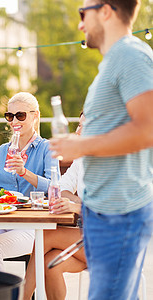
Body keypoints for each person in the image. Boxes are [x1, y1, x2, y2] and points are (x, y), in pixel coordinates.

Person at [50, 0, 153, 298]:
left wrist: (80, 145)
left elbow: (147, 128)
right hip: (102, 213)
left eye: (84, 13)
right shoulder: (115, 61)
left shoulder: (131, 56)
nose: (80, 24)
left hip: (119, 214)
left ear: (106, 10)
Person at [0, 92, 58, 271]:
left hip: (32, 224)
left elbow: (54, 188)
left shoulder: (47, 148)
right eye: (10, 116)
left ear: (35, 115)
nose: (14, 121)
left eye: (20, 115)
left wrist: (24, 172)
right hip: (2, 220)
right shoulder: (1, 152)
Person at [24, 113, 86, 300]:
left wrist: (76, 207)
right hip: (85, 239)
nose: (78, 131)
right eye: (78, 125)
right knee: (50, 264)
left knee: (45, 234)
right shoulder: (82, 160)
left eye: (85, 126)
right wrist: (77, 204)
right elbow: (60, 188)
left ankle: (22, 297)